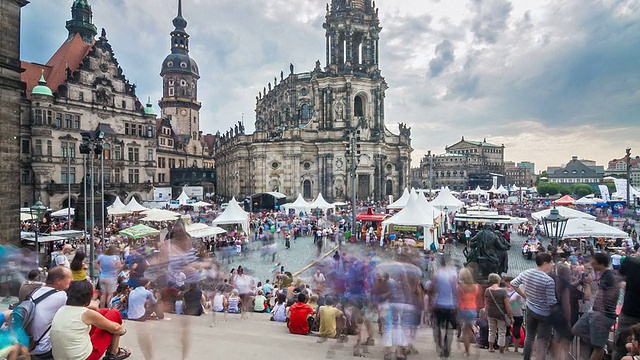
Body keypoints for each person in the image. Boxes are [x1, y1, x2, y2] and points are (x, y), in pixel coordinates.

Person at [50, 280, 130, 360]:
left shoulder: (61, 310)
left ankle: (113, 351)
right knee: (114, 314)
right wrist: (122, 331)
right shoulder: (87, 314)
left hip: (60, 357)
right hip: (85, 358)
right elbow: (116, 328)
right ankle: (113, 352)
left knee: (104, 311)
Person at [572, 252, 620, 360]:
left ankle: (602, 344)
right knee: (576, 330)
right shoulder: (605, 275)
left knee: (598, 348)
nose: (592, 265)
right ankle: (605, 342)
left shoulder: (609, 276)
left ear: (601, 264)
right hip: (594, 312)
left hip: (602, 315)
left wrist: (588, 283)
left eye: (594, 263)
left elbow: (607, 295)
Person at [510, 252, 556, 360]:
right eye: (550, 263)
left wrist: (526, 296)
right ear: (545, 263)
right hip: (545, 313)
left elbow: (513, 283)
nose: (551, 265)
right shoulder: (548, 280)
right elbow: (551, 302)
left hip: (530, 308)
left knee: (529, 336)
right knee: (542, 340)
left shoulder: (527, 272)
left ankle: (526, 358)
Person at [28, 266, 72, 360]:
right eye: (69, 278)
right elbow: (79, 307)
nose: (71, 281)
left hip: (29, 344)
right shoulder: (61, 296)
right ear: (58, 280)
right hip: (43, 349)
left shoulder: (36, 291)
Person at [429, 255, 458, 358]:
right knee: (449, 329)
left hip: (438, 304)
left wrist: (430, 303)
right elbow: (456, 290)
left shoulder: (437, 274)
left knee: (436, 327)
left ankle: (439, 345)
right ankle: (447, 347)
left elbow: (432, 289)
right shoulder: (454, 274)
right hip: (451, 305)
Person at [614, 256, 640, 360]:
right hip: (630, 315)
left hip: (629, 315)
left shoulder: (631, 262)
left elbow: (620, 274)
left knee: (620, 347)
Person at [485, 273, 513, 354]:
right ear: (498, 280)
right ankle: (501, 349)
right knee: (501, 332)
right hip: (501, 314)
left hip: (490, 313)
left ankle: (491, 347)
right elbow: (507, 305)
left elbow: (486, 304)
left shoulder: (487, 290)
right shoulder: (503, 292)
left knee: (491, 330)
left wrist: (486, 312)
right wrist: (511, 317)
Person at [457, 268, 478, 356]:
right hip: (473, 309)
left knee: (464, 330)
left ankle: (467, 351)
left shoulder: (460, 287)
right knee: (468, 329)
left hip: (463, 309)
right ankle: (473, 335)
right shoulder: (476, 286)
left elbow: (457, 298)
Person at [504, 276, 525, 353]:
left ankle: (516, 348)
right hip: (508, 313)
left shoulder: (517, 293)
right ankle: (506, 347)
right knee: (507, 331)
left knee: (516, 331)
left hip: (517, 314)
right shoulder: (506, 291)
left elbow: (511, 300)